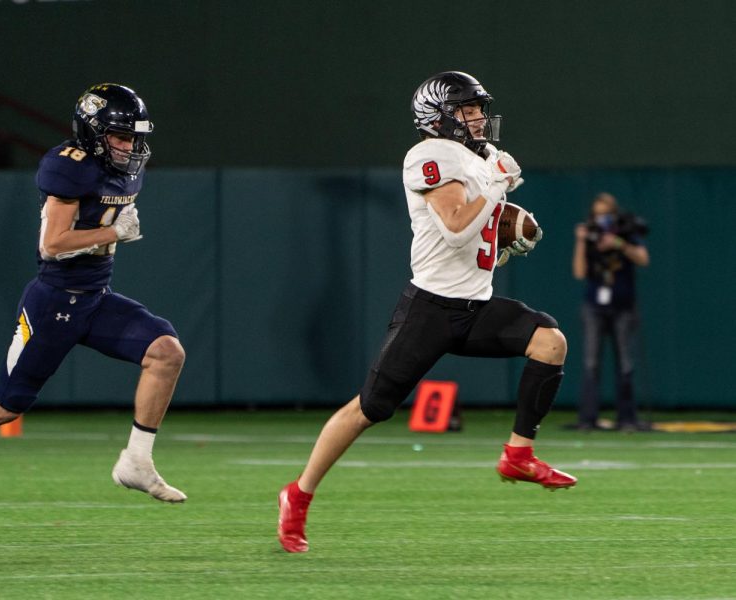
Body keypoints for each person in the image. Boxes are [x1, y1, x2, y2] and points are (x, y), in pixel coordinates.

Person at [277, 71, 576, 553]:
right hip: (431, 310)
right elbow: (457, 226)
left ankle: (518, 454)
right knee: (368, 410)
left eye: (479, 108)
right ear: (438, 117)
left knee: (550, 342)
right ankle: (298, 494)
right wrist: (499, 188)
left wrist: (508, 235)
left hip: (475, 305)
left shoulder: (482, 158)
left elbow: (477, 236)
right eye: (467, 109)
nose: (478, 117)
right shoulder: (429, 155)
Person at [0, 83, 187, 520]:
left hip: (95, 298)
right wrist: (113, 233)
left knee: (166, 352)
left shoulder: (125, 167)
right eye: (120, 136)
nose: (129, 146)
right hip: (53, 303)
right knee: (3, 405)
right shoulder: (69, 167)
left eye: (133, 137)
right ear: (93, 133)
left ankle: (137, 460)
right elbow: (53, 244)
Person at [572, 193, 650, 431]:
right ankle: (588, 418)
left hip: (623, 305)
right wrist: (582, 241)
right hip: (595, 307)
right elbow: (579, 272)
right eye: (597, 215)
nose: (601, 219)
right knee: (590, 362)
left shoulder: (625, 233)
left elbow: (643, 258)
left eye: (605, 214)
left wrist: (618, 243)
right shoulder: (590, 236)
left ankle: (626, 418)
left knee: (626, 364)